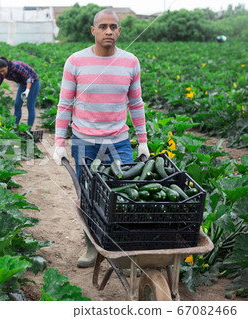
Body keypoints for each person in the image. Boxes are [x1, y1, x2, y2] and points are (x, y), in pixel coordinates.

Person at [52, 8, 150, 268]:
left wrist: (143, 140)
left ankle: (125, 247)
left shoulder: (130, 62)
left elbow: (136, 103)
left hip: (118, 140)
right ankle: (91, 246)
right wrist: (59, 143)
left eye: (114, 26)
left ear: (119, 30)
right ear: (93, 31)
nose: (109, 31)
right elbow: (64, 105)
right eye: (103, 26)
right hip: (84, 140)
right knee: (88, 195)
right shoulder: (75, 61)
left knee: (129, 194)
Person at [0, 57, 40, 130]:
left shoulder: (16, 67)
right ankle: (15, 127)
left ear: (6, 66)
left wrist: (27, 91)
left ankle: (28, 131)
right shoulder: (1, 73)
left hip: (33, 82)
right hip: (22, 83)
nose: (2, 73)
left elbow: (29, 78)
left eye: (3, 71)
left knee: (30, 106)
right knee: (17, 104)